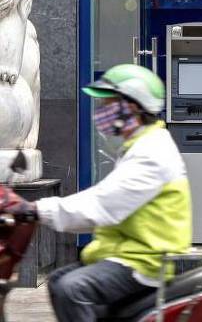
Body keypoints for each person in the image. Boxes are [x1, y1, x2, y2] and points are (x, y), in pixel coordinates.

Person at [6, 64, 191, 322]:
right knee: (58, 280)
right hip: (122, 254)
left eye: (110, 103)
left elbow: (101, 206)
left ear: (133, 107)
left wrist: (35, 209)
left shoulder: (152, 153)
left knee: (72, 288)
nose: (101, 111)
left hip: (142, 262)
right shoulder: (139, 146)